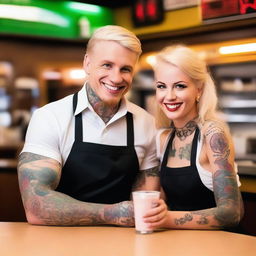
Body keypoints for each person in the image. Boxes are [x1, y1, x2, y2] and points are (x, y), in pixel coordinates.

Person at [18, 25, 159, 226]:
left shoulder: (146, 123)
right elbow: (36, 206)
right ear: (87, 63)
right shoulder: (50, 117)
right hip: (58, 243)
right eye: (107, 65)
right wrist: (113, 213)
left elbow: (144, 206)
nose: (116, 78)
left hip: (122, 244)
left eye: (125, 69)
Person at [143, 45, 244, 230]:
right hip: (181, 244)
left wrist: (166, 219)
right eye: (161, 87)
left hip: (221, 245)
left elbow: (232, 213)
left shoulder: (213, 133)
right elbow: (160, 202)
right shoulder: (163, 139)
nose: (169, 96)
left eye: (180, 86)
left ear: (199, 90)